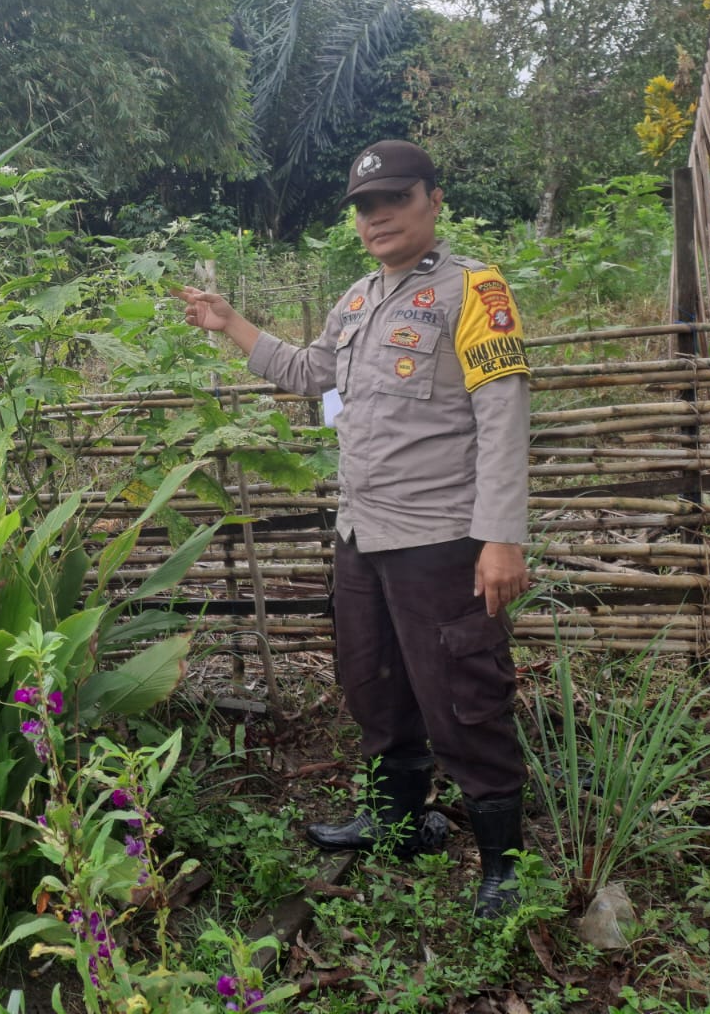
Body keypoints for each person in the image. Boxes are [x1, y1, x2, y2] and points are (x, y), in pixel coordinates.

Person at [174, 140, 532, 917]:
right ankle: (401, 819)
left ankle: (505, 861)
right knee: (374, 683)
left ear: (433, 200)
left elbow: (502, 414)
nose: (378, 218)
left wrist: (502, 535)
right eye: (366, 207)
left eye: (395, 200)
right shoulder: (361, 298)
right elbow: (310, 373)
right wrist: (231, 323)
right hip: (363, 532)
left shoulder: (474, 289)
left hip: (440, 534)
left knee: (464, 695)